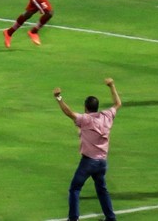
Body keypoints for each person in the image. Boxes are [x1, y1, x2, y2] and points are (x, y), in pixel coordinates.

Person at [53, 78, 121, 221]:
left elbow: (69, 113)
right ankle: (111, 218)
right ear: (97, 107)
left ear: (86, 107)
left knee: (75, 189)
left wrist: (58, 98)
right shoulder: (106, 116)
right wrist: (111, 85)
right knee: (102, 190)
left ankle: (73, 219)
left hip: (88, 162)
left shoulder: (85, 119)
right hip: (102, 162)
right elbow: (117, 103)